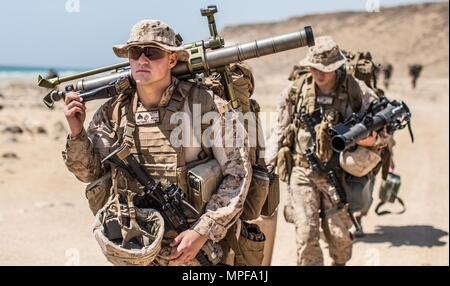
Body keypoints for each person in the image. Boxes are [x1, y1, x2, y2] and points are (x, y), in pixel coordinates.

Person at [61, 19, 252, 266]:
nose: (142, 60)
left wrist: (202, 232)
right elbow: (90, 173)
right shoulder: (114, 112)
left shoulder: (206, 106)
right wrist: (77, 131)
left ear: (172, 60)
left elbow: (238, 174)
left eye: (152, 53)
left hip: (191, 249)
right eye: (135, 52)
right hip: (135, 243)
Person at [266, 36, 391, 266]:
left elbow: (383, 126)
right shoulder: (297, 90)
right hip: (302, 172)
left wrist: (370, 140)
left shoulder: (356, 90)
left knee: (340, 241)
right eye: (313, 68)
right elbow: (278, 129)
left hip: (336, 174)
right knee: (306, 234)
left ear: (337, 66)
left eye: (325, 69)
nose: (318, 74)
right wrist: (267, 166)